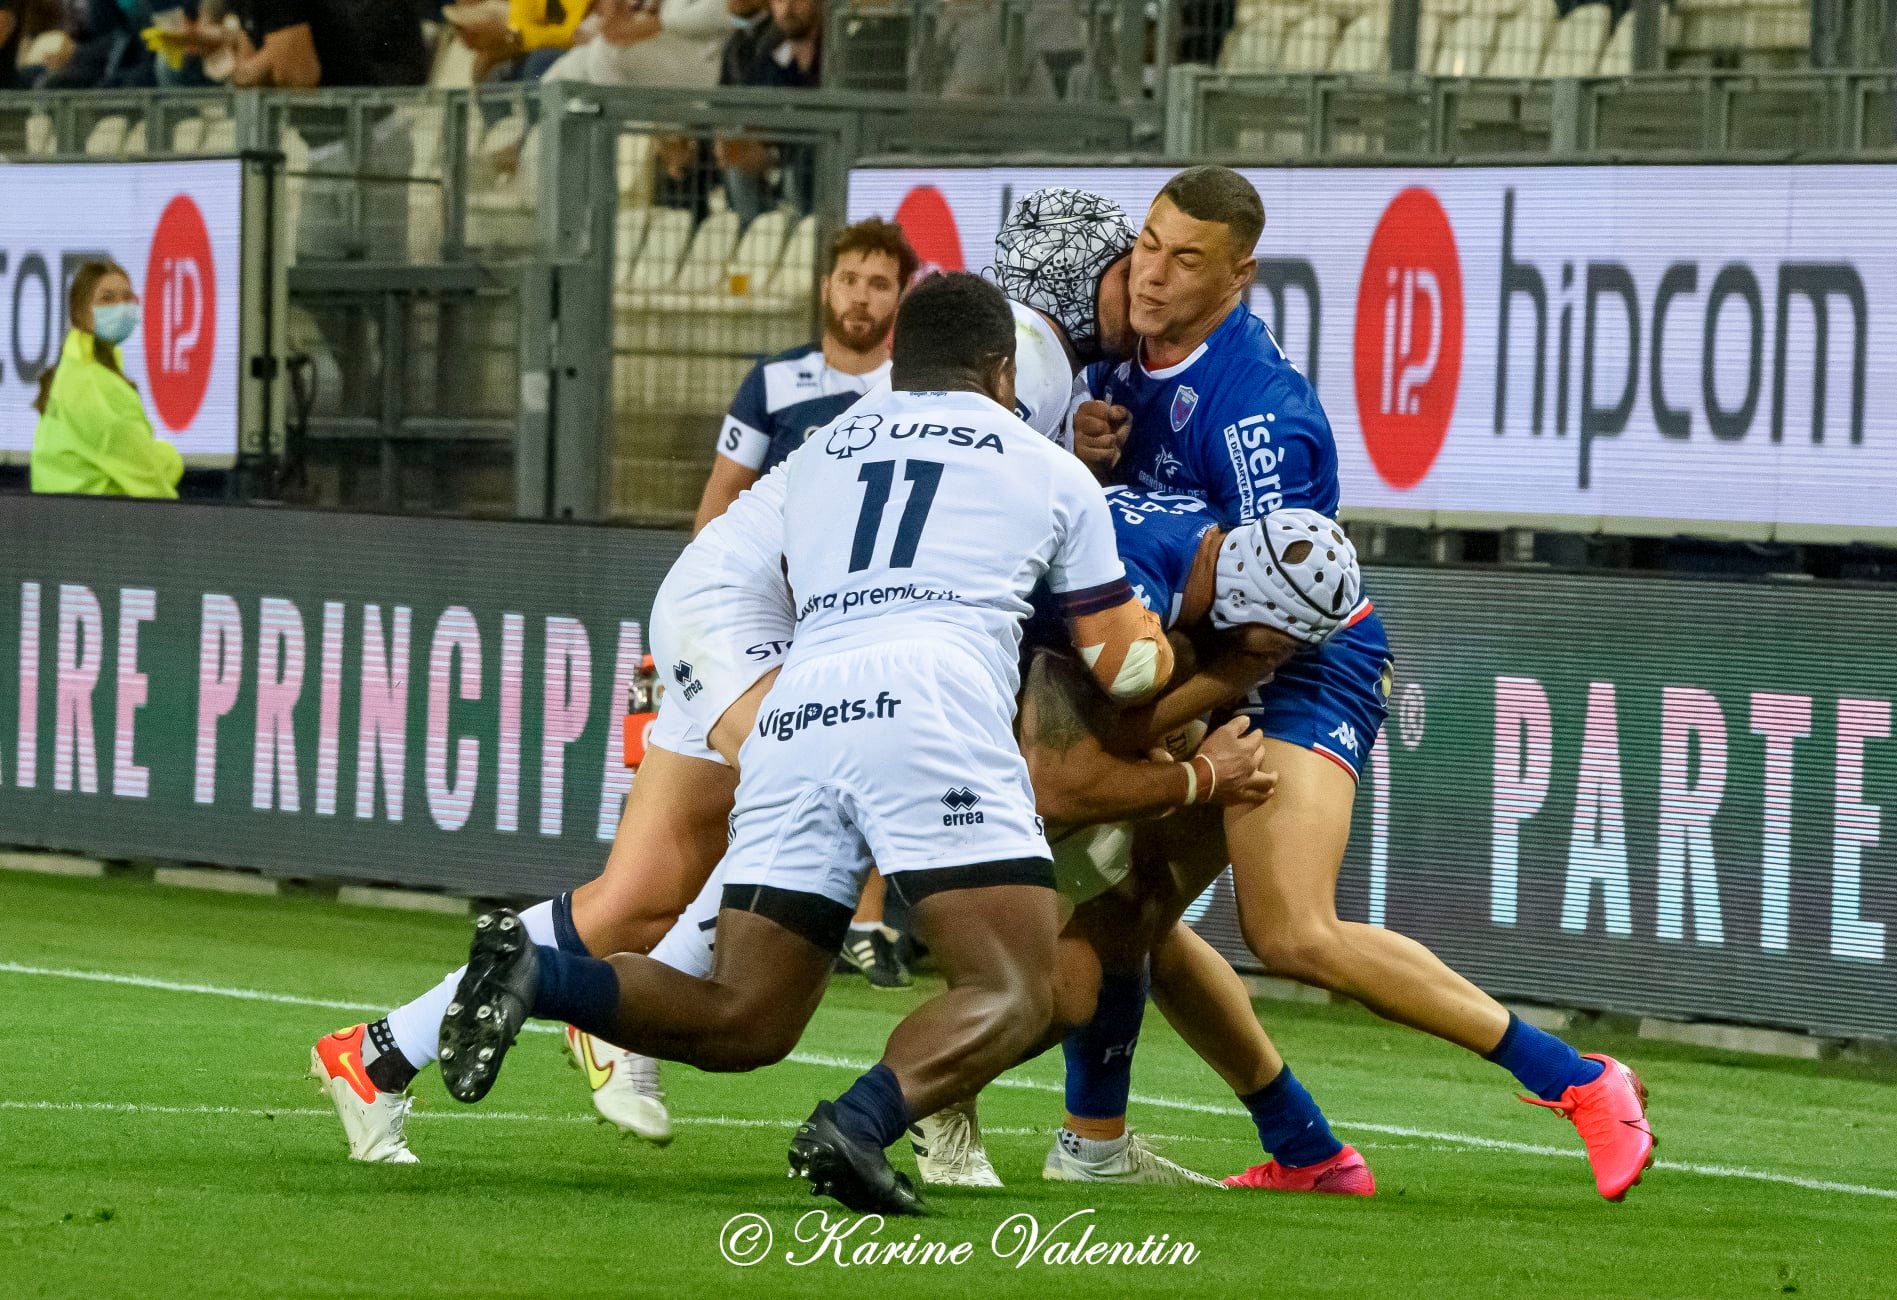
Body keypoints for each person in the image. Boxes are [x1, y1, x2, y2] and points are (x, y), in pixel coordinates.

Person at [436, 273, 1173, 1217]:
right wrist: (1155, 645)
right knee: (1020, 989)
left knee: (746, 1017)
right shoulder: (1044, 464)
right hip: (934, 703)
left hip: (803, 706)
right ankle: (857, 1127)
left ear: (897, 366)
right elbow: (1121, 664)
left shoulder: (821, 453)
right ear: (1000, 372)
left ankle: (541, 973)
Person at [1071, 165, 1655, 1201]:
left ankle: (1579, 1079)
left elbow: (1277, 616)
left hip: (1295, 665)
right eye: (1148, 244)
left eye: (1184, 258)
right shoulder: (1112, 368)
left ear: (1239, 274)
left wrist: (1175, 722)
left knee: (1289, 928)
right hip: (1210, 661)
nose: (1151, 274)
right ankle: (1291, 1151)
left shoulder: (1262, 417)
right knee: (1127, 913)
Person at [692, 216, 914, 532]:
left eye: (879, 285)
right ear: (826, 288)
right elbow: (725, 490)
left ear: (901, 298)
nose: (861, 298)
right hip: (778, 572)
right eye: (849, 280)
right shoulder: (771, 380)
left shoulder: (914, 393)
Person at [31, 261, 183, 500]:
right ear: (81, 311)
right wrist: (170, 458)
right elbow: (148, 478)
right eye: (107, 299)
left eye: (127, 297)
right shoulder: (95, 386)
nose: (120, 307)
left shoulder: (73, 372)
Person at [714, 0, 820, 225]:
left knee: (800, 163)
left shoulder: (835, 51)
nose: (788, 8)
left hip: (818, 162)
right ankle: (749, 237)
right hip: (777, 157)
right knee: (736, 160)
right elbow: (749, 113)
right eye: (780, 0)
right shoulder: (768, 50)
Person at [213, 0, 428, 87]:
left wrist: (241, 72)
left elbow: (297, 75)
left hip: (361, 131)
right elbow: (248, 70)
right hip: (328, 135)